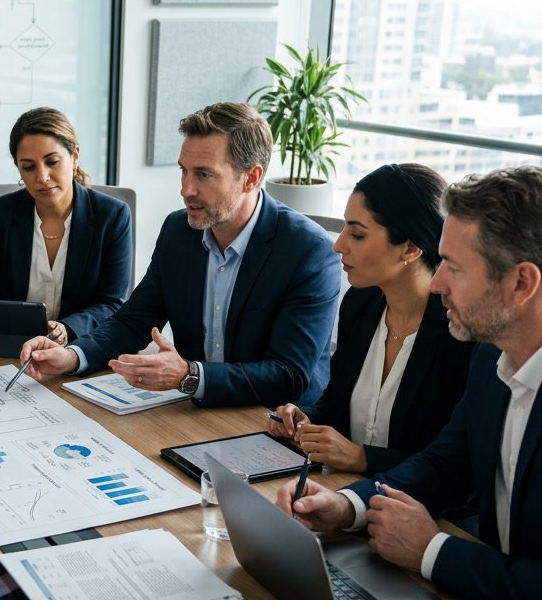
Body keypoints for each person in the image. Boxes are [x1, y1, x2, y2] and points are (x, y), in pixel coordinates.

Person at [279, 166, 542, 600]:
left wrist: (432, 551)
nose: (435, 284)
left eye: (452, 266)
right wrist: (347, 506)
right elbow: (446, 463)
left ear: (521, 283)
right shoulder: (496, 349)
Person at [21, 101, 340, 408]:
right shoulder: (179, 231)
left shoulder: (307, 251)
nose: (186, 189)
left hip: (274, 423)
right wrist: (72, 356)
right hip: (193, 409)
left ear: (251, 178)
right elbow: (133, 321)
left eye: (203, 174)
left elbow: (288, 375)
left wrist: (190, 376)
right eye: (184, 171)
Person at [268, 164, 475, 474]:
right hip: (342, 491)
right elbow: (337, 404)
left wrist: (362, 458)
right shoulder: (360, 304)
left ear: (409, 247)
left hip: (421, 514)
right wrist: (306, 419)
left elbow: (458, 467)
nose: (338, 244)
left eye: (357, 234)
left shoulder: (461, 334)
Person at [0, 107, 132, 346]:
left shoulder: (112, 216)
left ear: (74, 157)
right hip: (11, 347)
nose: (42, 177)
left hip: (80, 349)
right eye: (29, 167)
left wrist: (67, 328)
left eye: (52, 162)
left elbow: (111, 302)